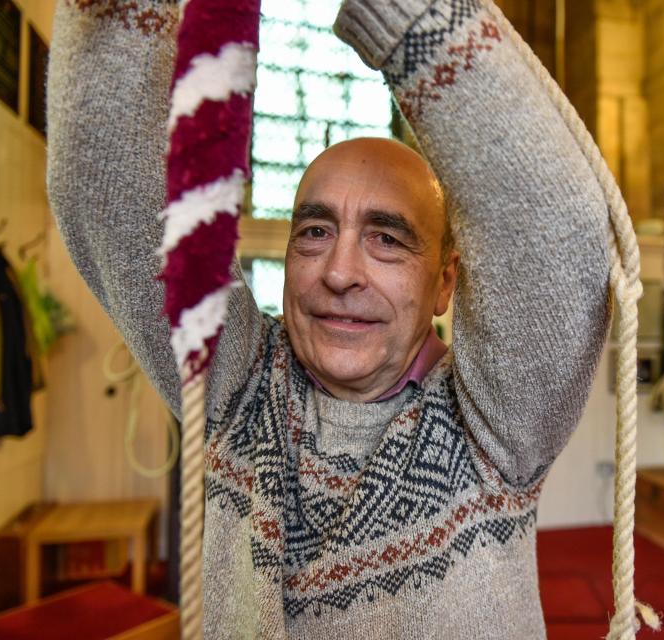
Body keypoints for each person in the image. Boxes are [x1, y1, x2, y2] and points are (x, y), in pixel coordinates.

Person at [47, 0, 617, 637]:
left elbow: (556, 235)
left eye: (388, 239)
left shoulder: (494, 430)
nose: (339, 272)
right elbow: (107, 184)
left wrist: (410, 16)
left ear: (445, 282)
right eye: (314, 231)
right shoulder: (239, 388)